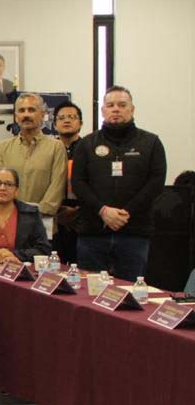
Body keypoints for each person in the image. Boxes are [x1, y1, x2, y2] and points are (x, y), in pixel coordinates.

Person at [71, 86, 167, 281]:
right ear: (103, 110)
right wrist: (103, 211)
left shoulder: (151, 143)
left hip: (134, 232)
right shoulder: (86, 144)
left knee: (130, 292)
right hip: (93, 232)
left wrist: (126, 212)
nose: (116, 109)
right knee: (90, 292)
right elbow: (78, 183)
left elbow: (156, 182)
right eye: (110, 105)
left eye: (122, 105)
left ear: (132, 109)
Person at [0, 94, 66, 238]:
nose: (26, 114)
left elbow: (57, 187)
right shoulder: (3, 148)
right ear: (16, 116)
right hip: (8, 222)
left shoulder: (56, 147)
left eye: (31, 110)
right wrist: (12, 213)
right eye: (21, 110)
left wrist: (32, 214)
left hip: (43, 223)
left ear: (42, 114)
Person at [0, 167, 52, 264]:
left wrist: (14, 255)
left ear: (16, 190)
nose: (2, 188)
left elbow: (44, 250)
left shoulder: (31, 214)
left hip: (21, 268)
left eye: (9, 184)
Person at [52, 101, 83, 264]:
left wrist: (79, 210)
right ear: (54, 124)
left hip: (82, 216)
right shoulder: (48, 149)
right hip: (53, 214)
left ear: (81, 123)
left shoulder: (89, 148)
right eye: (62, 117)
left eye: (72, 117)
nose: (67, 120)